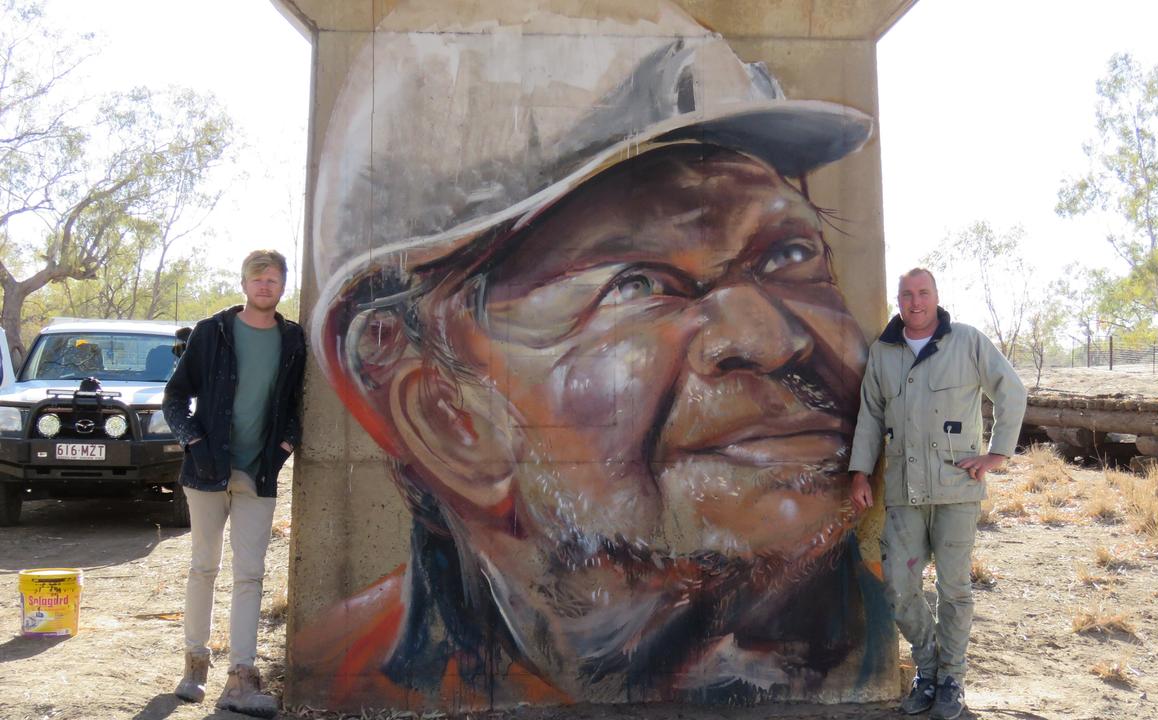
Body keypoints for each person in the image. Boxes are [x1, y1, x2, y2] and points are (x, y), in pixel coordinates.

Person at [299, 0, 896, 708]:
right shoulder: (344, 668)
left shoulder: (899, 621)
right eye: (635, 284)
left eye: (788, 254)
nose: (772, 338)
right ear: (441, 411)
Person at [847, 268, 1027, 719]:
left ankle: (952, 679)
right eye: (906, 295)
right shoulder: (884, 352)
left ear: (936, 296)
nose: (915, 302)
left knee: (954, 589)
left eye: (923, 293)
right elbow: (870, 416)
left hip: (956, 490)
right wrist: (860, 474)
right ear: (899, 300)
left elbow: (1012, 391)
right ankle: (927, 668)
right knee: (900, 588)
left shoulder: (966, 342)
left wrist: (996, 454)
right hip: (905, 493)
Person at [164, 250, 306, 718]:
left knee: (250, 574)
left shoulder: (292, 339)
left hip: (258, 472)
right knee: (203, 567)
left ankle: (241, 678)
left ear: (283, 286)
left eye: (273, 280)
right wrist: (193, 440)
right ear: (244, 284)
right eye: (258, 279)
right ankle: (195, 666)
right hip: (207, 469)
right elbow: (175, 397)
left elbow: (298, 402)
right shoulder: (213, 332)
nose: (265, 286)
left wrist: (285, 446)